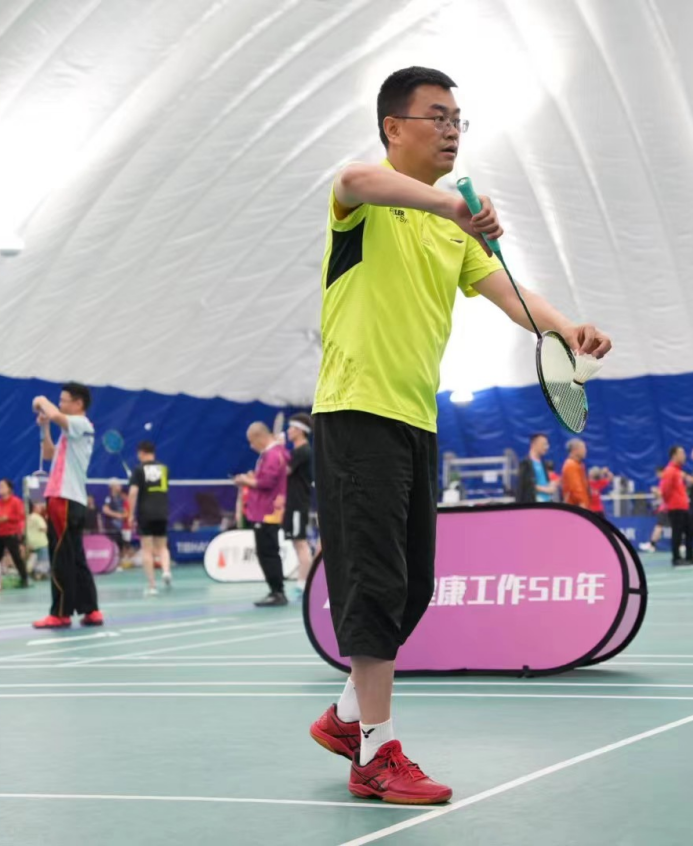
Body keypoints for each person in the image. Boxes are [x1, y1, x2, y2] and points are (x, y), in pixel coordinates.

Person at [306, 66, 611, 805]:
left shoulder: (454, 232)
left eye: (456, 120)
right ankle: (374, 754)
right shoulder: (365, 202)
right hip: (356, 411)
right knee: (376, 584)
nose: (450, 131)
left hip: (415, 417)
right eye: (436, 117)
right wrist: (450, 203)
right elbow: (352, 180)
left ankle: (345, 717)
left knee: (412, 590)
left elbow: (511, 294)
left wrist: (566, 328)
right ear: (394, 128)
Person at [33, 383, 103, 628]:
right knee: (75, 557)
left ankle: (60, 613)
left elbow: (53, 413)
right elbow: (49, 455)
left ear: (78, 403)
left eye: (64, 400)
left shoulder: (80, 423)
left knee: (60, 556)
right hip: (71, 499)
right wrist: (44, 428)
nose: (60, 404)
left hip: (63, 498)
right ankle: (91, 610)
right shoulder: (72, 432)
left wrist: (41, 399)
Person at [235, 422, 289, 607]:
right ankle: (276, 590)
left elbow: (266, 482)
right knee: (269, 551)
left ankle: (277, 592)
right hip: (268, 510)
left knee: (267, 552)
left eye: (252, 441)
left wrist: (246, 481)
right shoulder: (277, 453)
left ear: (260, 437)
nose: (251, 446)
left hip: (266, 511)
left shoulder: (272, 455)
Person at [128, 441, 172, 597]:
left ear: (141, 452)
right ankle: (166, 571)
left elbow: (133, 493)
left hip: (145, 513)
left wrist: (130, 514)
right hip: (162, 512)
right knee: (162, 547)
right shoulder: (164, 469)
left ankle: (152, 585)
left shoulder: (138, 470)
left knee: (147, 550)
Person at [283, 413, 316, 597]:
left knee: (301, 543)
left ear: (300, 431)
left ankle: (303, 586)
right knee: (297, 544)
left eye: (291, 428)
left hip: (298, 503)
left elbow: (284, 470)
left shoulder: (303, 451)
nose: (288, 431)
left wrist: (276, 449)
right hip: (292, 503)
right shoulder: (297, 451)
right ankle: (303, 583)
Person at [0, 479, 28, 587]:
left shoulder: (16, 501)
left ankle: (24, 579)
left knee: (16, 557)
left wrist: (7, 518)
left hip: (11, 534)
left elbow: (20, 516)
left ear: (9, 489)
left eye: (2, 486)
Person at [661, 447, 692, 565]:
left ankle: (689, 556)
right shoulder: (670, 471)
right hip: (676, 507)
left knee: (690, 531)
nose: (684, 456)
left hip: (683, 507)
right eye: (681, 453)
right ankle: (676, 558)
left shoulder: (678, 471)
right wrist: (670, 503)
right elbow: (665, 490)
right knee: (677, 533)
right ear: (674, 455)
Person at [516, 433, 557, 503]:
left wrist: (551, 484)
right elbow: (524, 486)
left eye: (547, 444)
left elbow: (544, 481)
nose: (547, 447)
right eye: (544, 444)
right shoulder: (526, 463)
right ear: (534, 445)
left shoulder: (542, 463)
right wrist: (547, 489)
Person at [638, 467, 669, 553]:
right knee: (663, 526)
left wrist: (656, 491)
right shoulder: (662, 481)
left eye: (658, 473)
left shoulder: (665, 481)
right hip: (666, 508)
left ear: (661, 472)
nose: (657, 475)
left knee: (659, 526)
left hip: (666, 508)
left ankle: (652, 545)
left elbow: (663, 494)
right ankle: (652, 544)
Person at [102, 481, 131, 561]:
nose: (120, 486)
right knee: (114, 545)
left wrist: (125, 515)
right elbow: (105, 510)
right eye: (118, 485)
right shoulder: (109, 498)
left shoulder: (120, 499)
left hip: (120, 526)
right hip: (111, 526)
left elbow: (124, 511)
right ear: (113, 487)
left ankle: (120, 561)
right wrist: (117, 515)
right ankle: (112, 561)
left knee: (121, 544)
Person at [560, 439, 590, 509]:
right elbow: (576, 487)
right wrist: (581, 502)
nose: (585, 450)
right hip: (576, 506)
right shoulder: (571, 465)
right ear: (574, 450)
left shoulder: (578, 465)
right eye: (583, 448)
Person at [26, 501, 50, 580]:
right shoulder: (37, 517)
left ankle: (30, 570)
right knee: (44, 560)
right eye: (39, 507)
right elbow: (44, 528)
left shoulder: (28, 517)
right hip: (41, 542)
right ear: (34, 508)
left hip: (31, 542)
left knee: (34, 558)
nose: (41, 508)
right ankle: (39, 574)